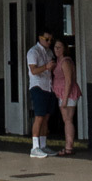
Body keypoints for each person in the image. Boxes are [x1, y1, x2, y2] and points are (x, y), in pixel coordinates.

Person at [24, 29, 54, 160]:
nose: (49, 42)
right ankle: (34, 147)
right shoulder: (33, 52)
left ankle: (43, 144)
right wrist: (47, 67)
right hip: (38, 86)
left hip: (48, 87)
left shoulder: (49, 52)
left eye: (50, 40)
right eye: (46, 39)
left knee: (46, 117)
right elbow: (33, 70)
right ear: (40, 38)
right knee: (39, 117)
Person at [51, 37, 82, 156]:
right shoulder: (59, 61)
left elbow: (69, 81)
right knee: (66, 120)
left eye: (59, 47)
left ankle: (69, 147)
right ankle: (68, 145)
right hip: (62, 93)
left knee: (68, 120)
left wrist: (65, 99)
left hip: (68, 94)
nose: (56, 50)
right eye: (55, 47)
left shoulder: (65, 62)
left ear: (64, 48)